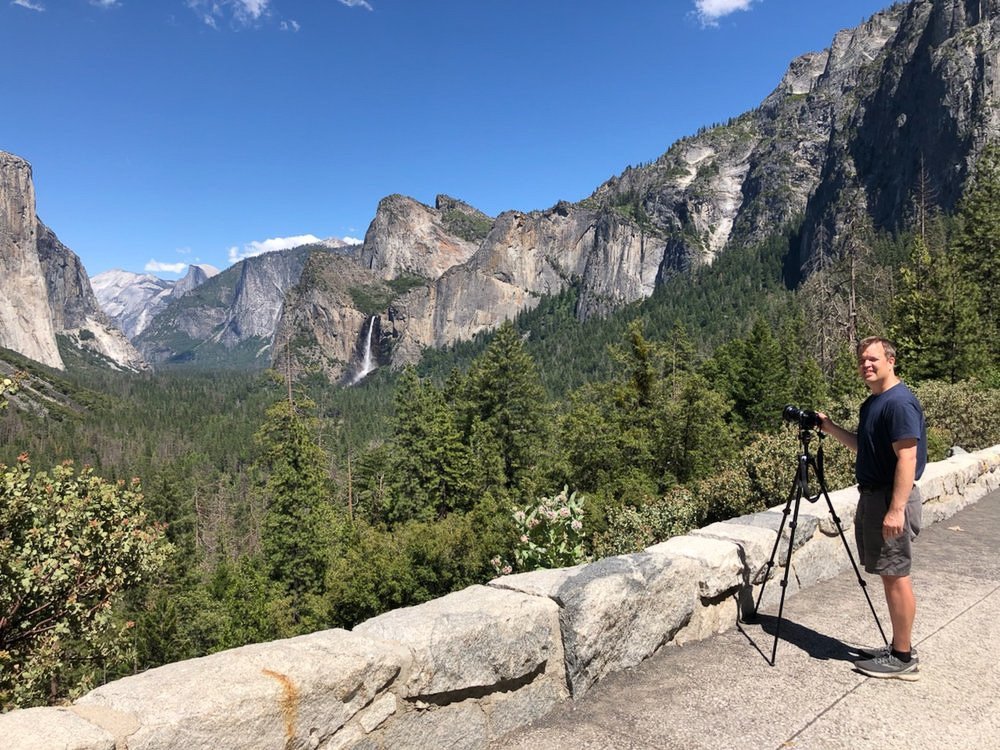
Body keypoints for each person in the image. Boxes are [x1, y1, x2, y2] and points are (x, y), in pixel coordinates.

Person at [817, 336, 927, 681]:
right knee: (888, 573)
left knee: (896, 575)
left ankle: (903, 658)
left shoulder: (899, 403)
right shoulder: (873, 404)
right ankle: (898, 647)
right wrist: (830, 428)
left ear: (891, 360)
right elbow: (863, 448)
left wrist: (896, 510)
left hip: (889, 499)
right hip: (874, 496)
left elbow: (907, 458)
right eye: (862, 360)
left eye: (873, 359)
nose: (866, 365)